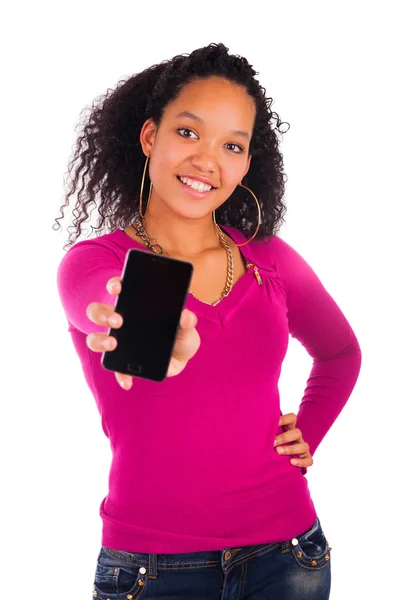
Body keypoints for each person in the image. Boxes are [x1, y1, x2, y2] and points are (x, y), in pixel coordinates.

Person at [55, 42, 362, 600]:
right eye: (189, 133)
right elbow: (104, 303)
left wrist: (307, 434)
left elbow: (341, 353)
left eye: (232, 145)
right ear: (151, 137)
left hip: (289, 555)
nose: (207, 161)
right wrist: (141, 325)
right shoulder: (97, 264)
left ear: (246, 163)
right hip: (150, 569)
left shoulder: (272, 260)